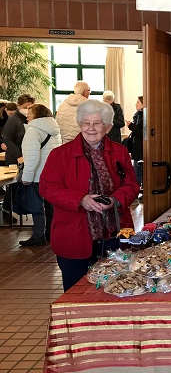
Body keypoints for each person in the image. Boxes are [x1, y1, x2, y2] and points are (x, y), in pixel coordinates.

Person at [39, 99, 140, 291]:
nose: (91, 128)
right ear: (80, 124)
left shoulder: (119, 152)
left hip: (114, 234)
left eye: (97, 123)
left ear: (107, 127)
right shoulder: (60, 155)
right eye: (86, 123)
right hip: (73, 235)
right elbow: (47, 187)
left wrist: (115, 199)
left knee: (118, 288)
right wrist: (80, 200)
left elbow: (131, 185)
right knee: (75, 292)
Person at [18, 104, 62, 247]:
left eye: (29, 113)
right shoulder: (54, 129)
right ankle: (50, 233)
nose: (27, 116)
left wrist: (27, 177)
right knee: (49, 206)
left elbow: (32, 157)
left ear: (36, 115)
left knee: (36, 206)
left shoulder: (33, 130)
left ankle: (38, 235)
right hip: (53, 174)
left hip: (38, 175)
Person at [2, 95, 35, 222]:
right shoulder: (13, 120)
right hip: (15, 157)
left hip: (26, 156)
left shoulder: (30, 119)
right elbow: (7, 139)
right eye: (26, 107)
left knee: (21, 186)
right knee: (13, 186)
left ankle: (19, 208)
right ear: (19, 106)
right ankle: (6, 210)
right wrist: (18, 155)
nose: (28, 109)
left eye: (30, 107)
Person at [127, 96, 144, 190]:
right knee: (136, 170)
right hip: (136, 146)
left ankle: (138, 189)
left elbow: (141, 132)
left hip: (141, 146)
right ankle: (136, 189)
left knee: (138, 170)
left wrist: (131, 126)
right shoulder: (137, 115)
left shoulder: (143, 116)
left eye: (138, 102)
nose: (136, 104)